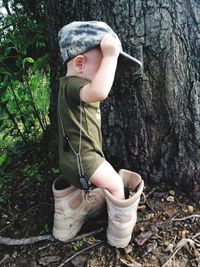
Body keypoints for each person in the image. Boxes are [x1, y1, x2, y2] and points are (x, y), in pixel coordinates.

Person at [53, 21, 144, 248]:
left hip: (71, 160)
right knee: (114, 184)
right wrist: (111, 56)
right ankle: (120, 233)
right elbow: (101, 91)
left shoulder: (67, 85)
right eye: (103, 64)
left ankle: (66, 219)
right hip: (85, 158)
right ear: (80, 63)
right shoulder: (75, 84)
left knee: (98, 183)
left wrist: (110, 58)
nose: (108, 71)